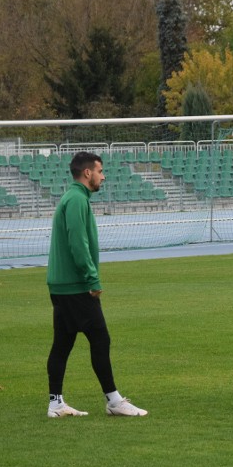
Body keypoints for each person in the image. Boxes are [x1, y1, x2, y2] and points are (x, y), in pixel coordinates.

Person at [46, 151, 147, 418]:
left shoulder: (73, 198)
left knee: (63, 344)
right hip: (75, 286)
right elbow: (78, 243)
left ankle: (56, 403)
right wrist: (92, 278)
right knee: (100, 339)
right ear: (87, 173)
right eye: (100, 171)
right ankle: (113, 400)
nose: (103, 176)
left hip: (62, 286)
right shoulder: (77, 199)